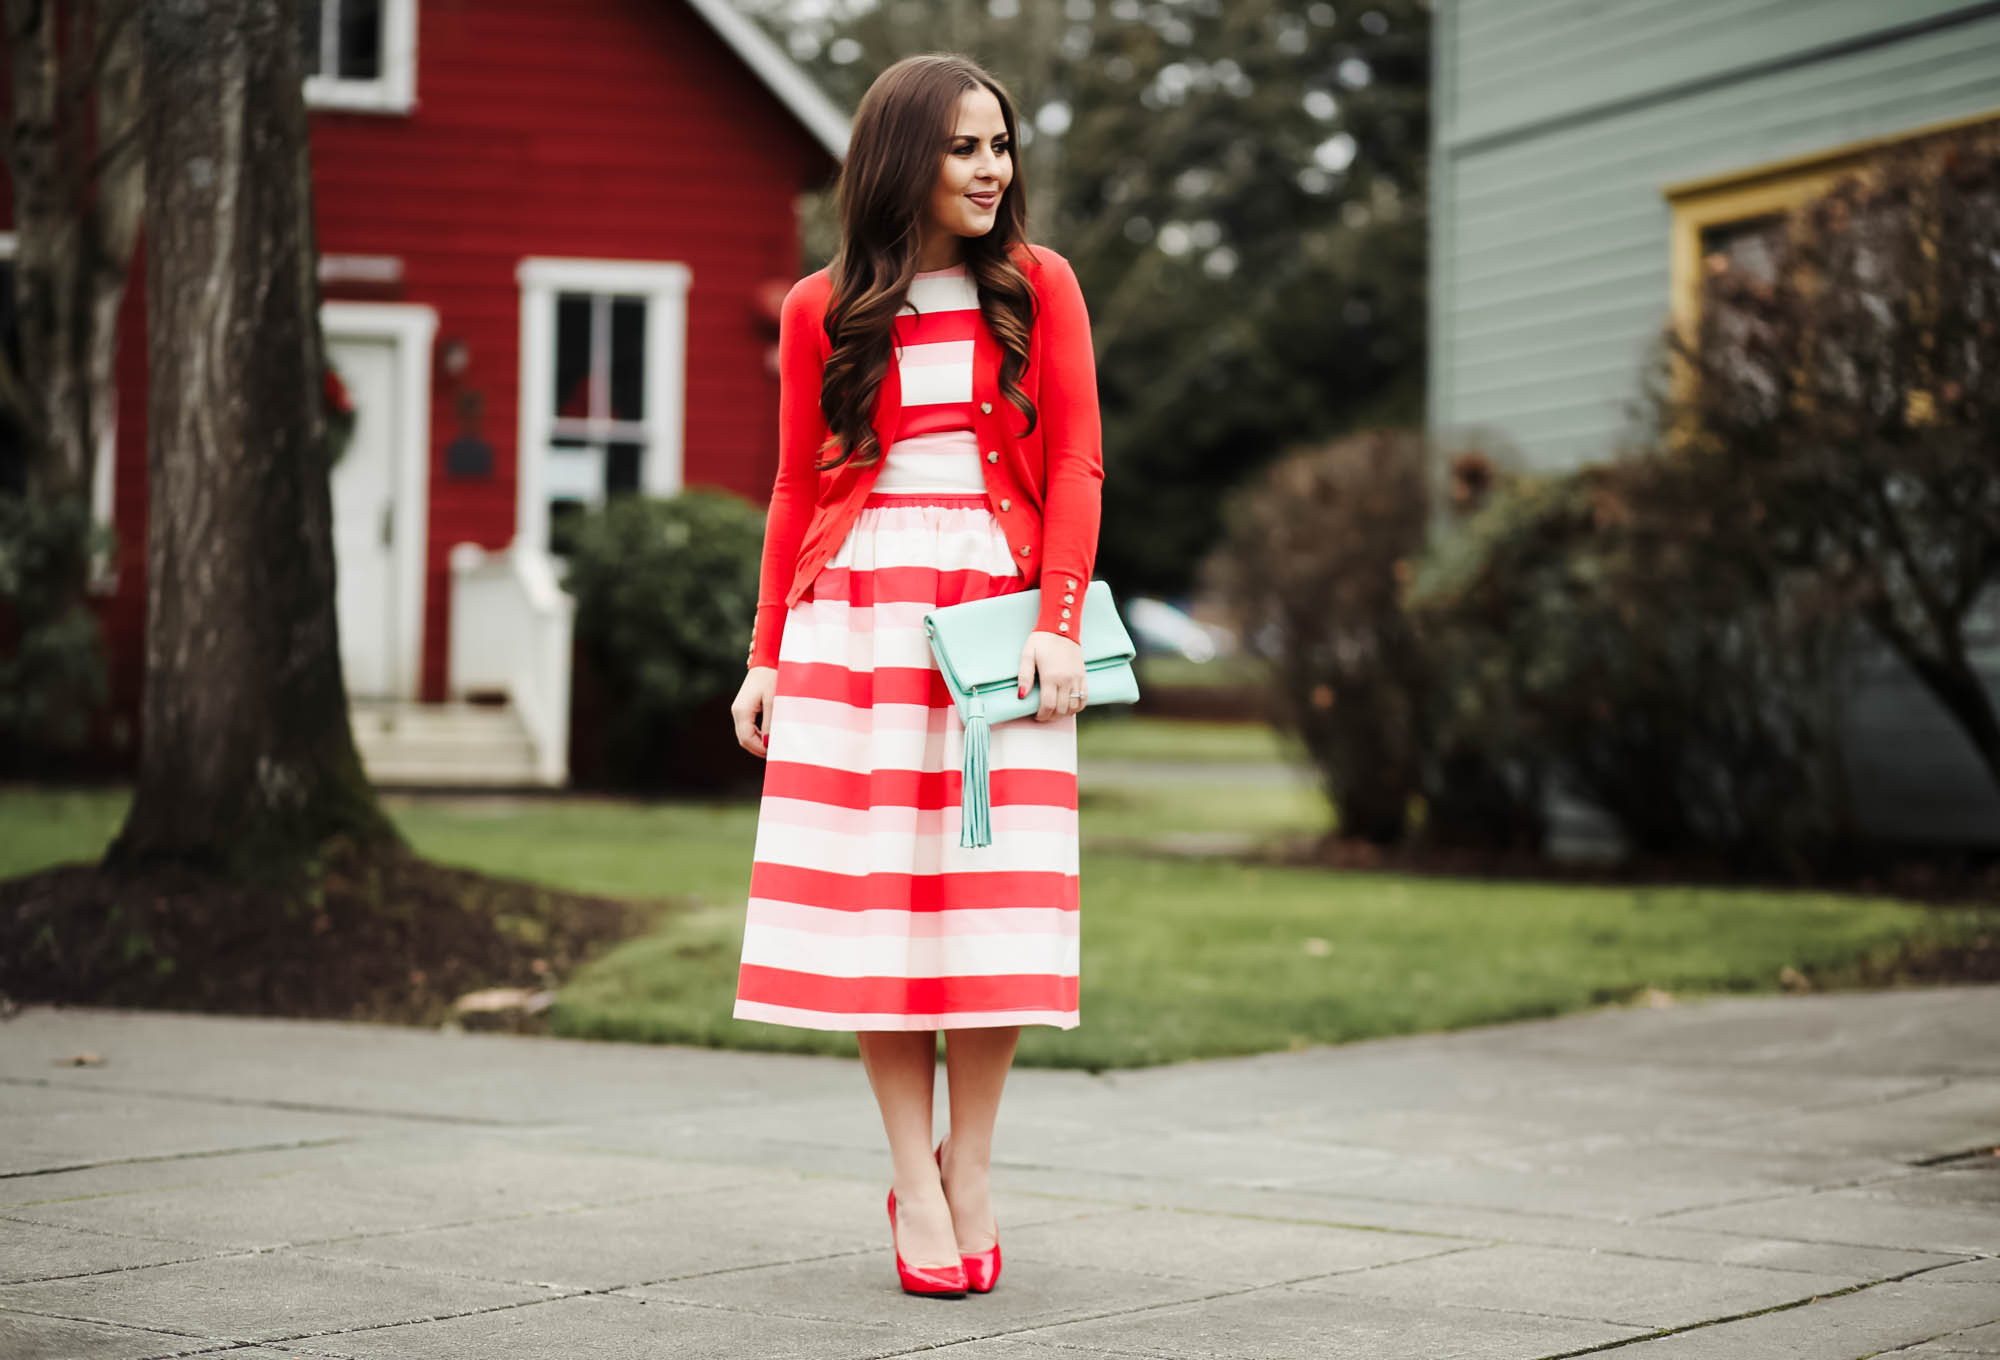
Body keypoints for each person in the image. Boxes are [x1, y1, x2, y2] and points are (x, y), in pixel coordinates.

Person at [727, 52, 1104, 1300]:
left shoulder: (1040, 288)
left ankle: (974, 1169)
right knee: (882, 910)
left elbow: (1080, 466)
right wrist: (764, 653)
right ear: (902, 159)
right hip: (858, 627)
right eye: (963, 147)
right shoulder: (818, 307)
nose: (992, 168)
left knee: (989, 903)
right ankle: (913, 1175)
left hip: (996, 628)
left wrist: (1054, 620)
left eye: (999, 145)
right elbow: (794, 485)